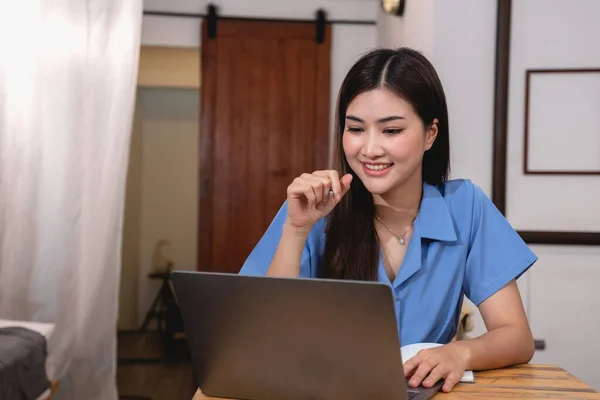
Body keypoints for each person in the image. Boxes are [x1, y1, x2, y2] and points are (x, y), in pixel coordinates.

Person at [238, 47, 538, 393]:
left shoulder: (466, 206)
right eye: (355, 129)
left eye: (391, 131)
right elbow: (263, 337)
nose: (369, 149)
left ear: (430, 134)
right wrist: (295, 229)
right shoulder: (313, 207)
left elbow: (516, 336)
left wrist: (459, 353)